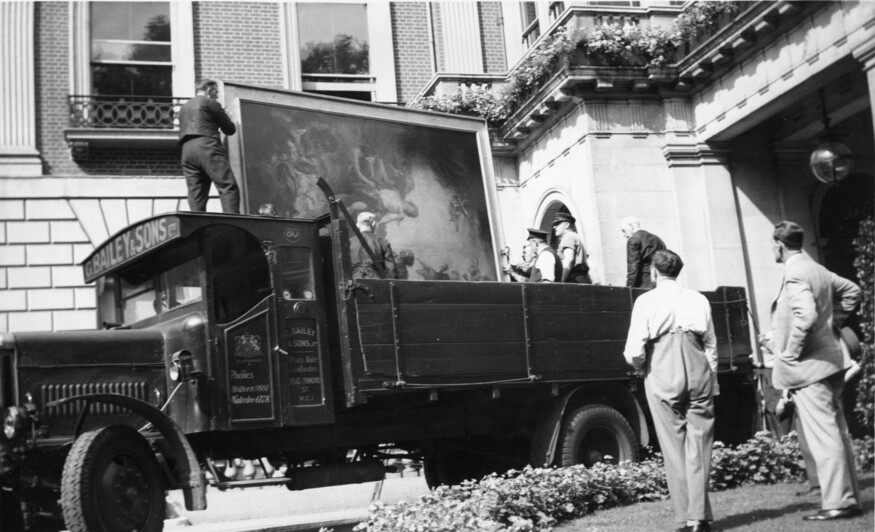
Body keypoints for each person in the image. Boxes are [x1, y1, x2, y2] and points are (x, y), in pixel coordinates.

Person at [758, 221, 861, 521]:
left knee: (824, 436)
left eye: (772, 245)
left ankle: (837, 503)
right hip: (830, 363)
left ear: (778, 243)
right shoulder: (815, 267)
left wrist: (789, 352)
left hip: (809, 369)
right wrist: (832, 326)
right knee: (837, 432)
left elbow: (805, 316)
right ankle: (847, 498)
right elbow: (852, 291)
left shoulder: (795, 272)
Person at [623, 250, 717, 532]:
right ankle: (699, 517)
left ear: (653, 272)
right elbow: (711, 343)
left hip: (663, 364)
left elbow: (634, 350)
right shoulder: (698, 299)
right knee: (700, 444)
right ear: (678, 271)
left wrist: (643, 366)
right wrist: (710, 376)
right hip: (697, 362)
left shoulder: (646, 300)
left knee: (673, 445)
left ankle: (687, 519)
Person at [178, 79, 240, 214]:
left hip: (186, 151)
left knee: (196, 195)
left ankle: (197, 228)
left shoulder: (184, 107)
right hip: (207, 147)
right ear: (208, 90)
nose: (217, 96)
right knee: (228, 186)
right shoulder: (211, 103)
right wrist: (228, 116)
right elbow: (230, 129)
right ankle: (233, 225)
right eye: (216, 92)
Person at [621, 216, 666, 288]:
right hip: (660, 282)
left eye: (624, 230)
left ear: (631, 226)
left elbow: (633, 268)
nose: (624, 235)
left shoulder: (633, 240)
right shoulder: (658, 239)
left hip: (643, 283)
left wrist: (628, 288)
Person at [349, 211, 395, 279]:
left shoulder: (349, 242)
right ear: (373, 224)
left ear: (357, 225)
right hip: (376, 282)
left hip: (354, 282)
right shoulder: (383, 242)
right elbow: (390, 269)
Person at [552, 212, 591, 283]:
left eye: (557, 224)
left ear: (567, 225)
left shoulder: (568, 236)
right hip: (578, 278)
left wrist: (561, 282)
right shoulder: (572, 236)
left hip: (574, 279)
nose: (554, 227)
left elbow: (569, 259)